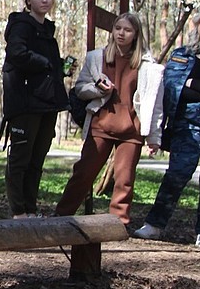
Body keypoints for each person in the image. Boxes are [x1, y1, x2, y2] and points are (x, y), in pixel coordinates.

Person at [53, 12, 164, 227]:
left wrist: (154, 136)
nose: (121, 33)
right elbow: (80, 90)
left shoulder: (147, 64)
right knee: (84, 173)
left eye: (127, 30)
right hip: (101, 125)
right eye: (118, 28)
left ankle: (118, 223)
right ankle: (61, 216)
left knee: (124, 179)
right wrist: (97, 88)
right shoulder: (97, 57)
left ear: (136, 34)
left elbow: (155, 103)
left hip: (131, 129)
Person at [132, 6, 200, 248]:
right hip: (186, 123)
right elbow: (173, 89)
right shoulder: (182, 54)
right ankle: (154, 225)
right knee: (176, 175)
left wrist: (196, 86)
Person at [1, 0, 70, 218]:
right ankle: (18, 210)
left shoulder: (47, 29)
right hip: (25, 103)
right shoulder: (22, 25)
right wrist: (44, 63)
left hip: (47, 102)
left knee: (37, 159)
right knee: (20, 158)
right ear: (29, 0)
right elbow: (17, 53)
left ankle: (30, 209)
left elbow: (47, 63)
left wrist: (60, 67)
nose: (44, 1)